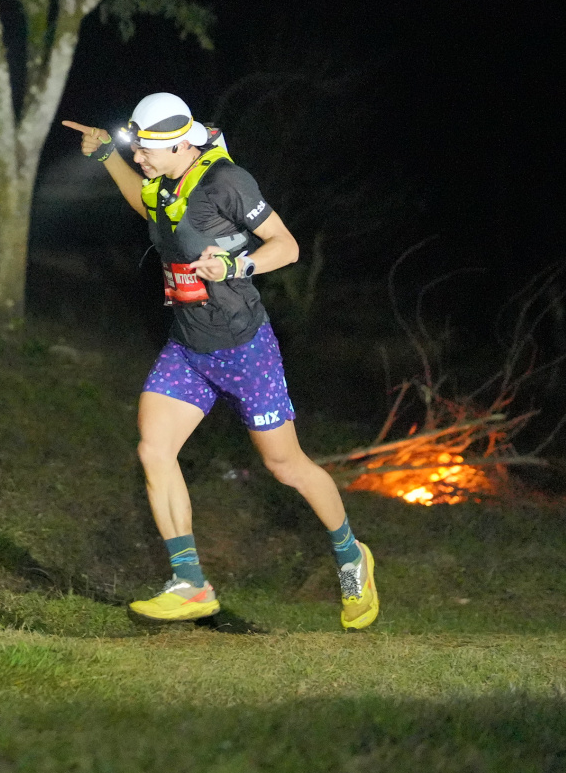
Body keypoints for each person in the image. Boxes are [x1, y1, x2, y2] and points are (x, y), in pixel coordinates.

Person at [61, 92, 379, 630]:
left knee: (286, 466)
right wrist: (107, 156)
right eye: (135, 149)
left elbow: (286, 246)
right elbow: (147, 206)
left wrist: (235, 265)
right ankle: (191, 584)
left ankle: (352, 556)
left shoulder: (227, 182)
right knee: (154, 449)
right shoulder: (165, 181)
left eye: (145, 150)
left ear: (179, 145)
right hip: (188, 347)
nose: (139, 157)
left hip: (244, 349)